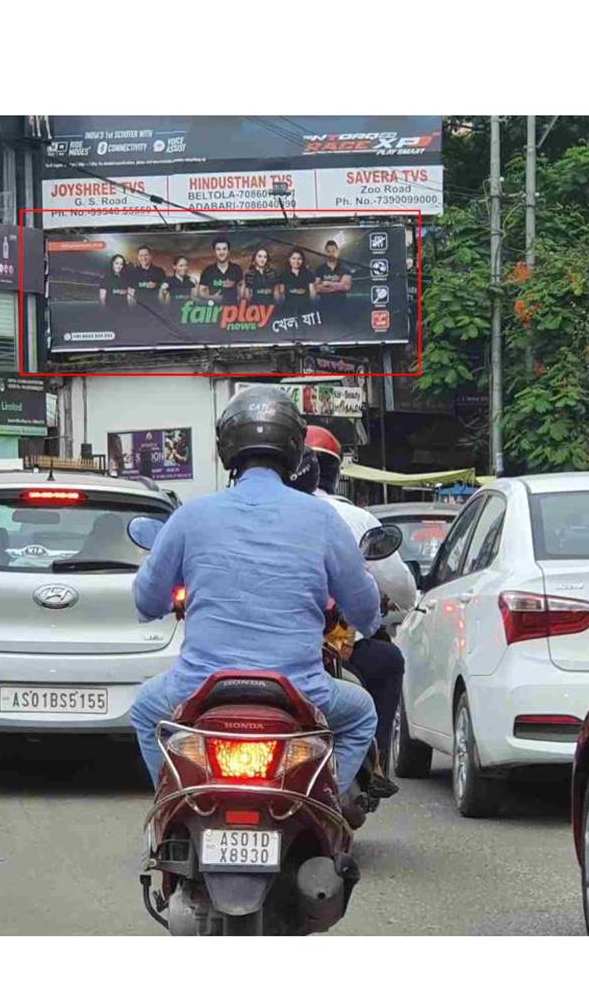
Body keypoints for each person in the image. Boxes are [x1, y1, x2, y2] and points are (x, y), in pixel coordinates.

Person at [128, 386, 381, 821]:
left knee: (145, 709)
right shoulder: (322, 518)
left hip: (199, 687)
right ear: (293, 450)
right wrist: (370, 618)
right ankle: (325, 808)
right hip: (300, 690)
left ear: (228, 448)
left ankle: (174, 811)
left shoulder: (191, 516)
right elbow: (363, 609)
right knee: (363, 713)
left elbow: (146, 601)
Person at [300, 425, 414, 794]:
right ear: (332, 473)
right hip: (318, 651)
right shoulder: (347, 519)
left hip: (241, 656)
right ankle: (374, 766)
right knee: (387, 663)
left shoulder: (241, 515)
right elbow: (395, 589)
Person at [313, 239, 353, 327]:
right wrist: (338, 286)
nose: (331, 254)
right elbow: (316, 288)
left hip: (342, 307)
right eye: (328, 251)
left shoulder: (345, 268)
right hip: (324, 307)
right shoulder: (320, 269)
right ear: (325, 252)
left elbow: (346, 287)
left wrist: (327, 283)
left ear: (337, 251)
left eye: (333, 251)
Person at [197, 238, 243, 304]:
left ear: (228, 251)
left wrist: (239, 297)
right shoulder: (208, 271)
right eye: (218, 249)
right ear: (214, 252)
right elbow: (200, 292)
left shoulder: (236, 269)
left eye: (224, 249)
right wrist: (212, 298)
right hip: (215, 310)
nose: (221, 252)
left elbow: (241, 284)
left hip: (233, 311)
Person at [278, 247, 317, 320]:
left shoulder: (309, 274)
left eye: (299, 259)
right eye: (294, 258)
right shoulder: (283, 275)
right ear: (289, 259)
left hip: (306, 307)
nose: (296, 261)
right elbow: (282, 293)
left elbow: (312, 292)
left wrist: (313, 307)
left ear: (302, 260)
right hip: (289, 309)